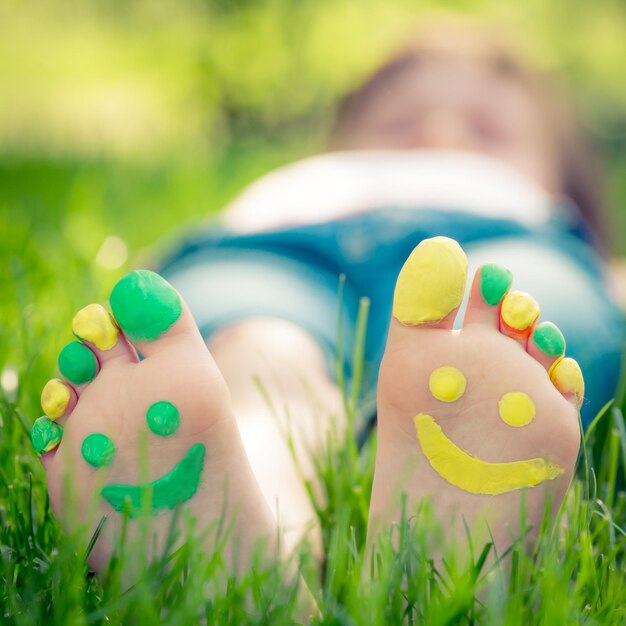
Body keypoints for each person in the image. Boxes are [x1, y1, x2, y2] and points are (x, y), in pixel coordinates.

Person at [31, 19, 624, 580]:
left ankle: (426, 519)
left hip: (498, 244)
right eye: (397, 122)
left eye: (488, 130)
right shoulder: (304, 187)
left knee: (514, 334)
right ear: (337, 142)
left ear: (566, 184)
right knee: (259, 353)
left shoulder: (536, 215)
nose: (437, 136)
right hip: (280, 251)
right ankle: (260, 543)